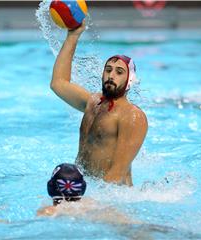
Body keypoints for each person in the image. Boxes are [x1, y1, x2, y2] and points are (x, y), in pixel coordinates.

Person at [50, 21, 148, 186]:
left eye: (119, 72)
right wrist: (73, 35)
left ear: (129, 80)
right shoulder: (93, 103)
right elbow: (58, 83)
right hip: (86, 186)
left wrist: (89, 200)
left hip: (114, 196)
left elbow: (117, 173)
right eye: (108, 70)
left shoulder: (132, 116)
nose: (111, 76)